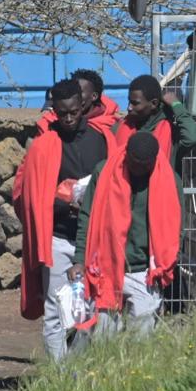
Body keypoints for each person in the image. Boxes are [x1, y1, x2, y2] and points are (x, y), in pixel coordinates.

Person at [13, 79, 112, 361]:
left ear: (82, 106)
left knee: (92, 309)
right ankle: (60, 375)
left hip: (92, 239)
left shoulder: (101, 139)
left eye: (73, 112)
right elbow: (29, 197)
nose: (68, 118)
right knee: (55, 310)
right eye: (62, 113)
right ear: (53, 110)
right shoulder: (43, 145)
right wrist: (62, 202)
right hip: (56, 236)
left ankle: (76, 367)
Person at [69, 131, 182, 337]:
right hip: (106, 268)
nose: (137, 170)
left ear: (153, 161)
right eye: (133, 163)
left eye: (143, 166)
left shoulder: (169, 181)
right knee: (102, 340)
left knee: (143, 344)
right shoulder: (104, 172)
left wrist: (165, 265)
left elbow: (175, 228)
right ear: (126, 155)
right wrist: (79, 260)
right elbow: (87, 218)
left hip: (145, 274)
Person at [117, 74, 196, 175]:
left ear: (154, 103)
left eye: (135, 103)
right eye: (129, 102)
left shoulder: (171, 135)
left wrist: (177, 106)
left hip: (161, 189)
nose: (129, 108)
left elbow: (193, 137)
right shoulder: (122, 127)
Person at [34, 69, 119, 136]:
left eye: (79, 92)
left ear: (94, 96)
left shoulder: (110, 126)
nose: (73, 95)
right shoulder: (52, 122)